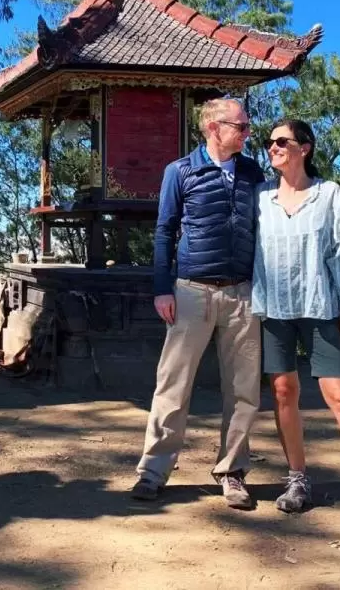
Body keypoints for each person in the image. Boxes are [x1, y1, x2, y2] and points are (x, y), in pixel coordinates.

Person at [253, 118, 340, 537]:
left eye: (281, 141)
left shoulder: (329, 194)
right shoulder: (260, 197)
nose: (272, 147)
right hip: (274, 311)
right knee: (282, 392)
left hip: (321, 308)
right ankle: (298, 479)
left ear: (305, 148)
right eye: (269, 142)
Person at [131, 97, 264, 509]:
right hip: (190, 291)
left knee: (244, 390)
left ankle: (232, 471)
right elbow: (164, 231)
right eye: (239, 126)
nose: (246, 133)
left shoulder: (252, 171)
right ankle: (153, 471)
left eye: (246, 126)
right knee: (173, 385)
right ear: (213, 127)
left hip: (242, 293)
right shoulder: (180, 171)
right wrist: (161, 287)